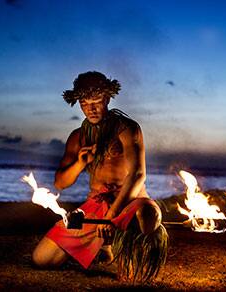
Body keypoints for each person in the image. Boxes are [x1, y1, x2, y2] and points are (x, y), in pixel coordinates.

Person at [32, 71, 168, 282]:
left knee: (149, 217)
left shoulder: (127, 129)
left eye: (96, 102)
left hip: (130, 204)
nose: (91, 109)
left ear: (107, 99)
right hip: (96, 207)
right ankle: (102, 246)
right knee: (42, 259)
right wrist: (80, 163)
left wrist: (112, 216)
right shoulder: (78, 137)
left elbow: (138, 174)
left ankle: (121, 246)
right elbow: (60, 183)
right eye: (85, 103)